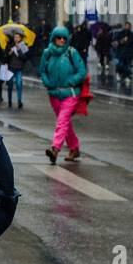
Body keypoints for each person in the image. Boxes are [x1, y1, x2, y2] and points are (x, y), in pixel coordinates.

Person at [39, 25, 88, 165]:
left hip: (70, 93)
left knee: (62, 120)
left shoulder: (72, 52)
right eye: (58, 38)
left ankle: (55, 148)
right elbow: (42, 70)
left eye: (63, 38)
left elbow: (81, 71)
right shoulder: (47, 53)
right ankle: (74, 148)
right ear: (53, 38)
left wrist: (72, 81)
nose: (61, 40)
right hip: (54, 93)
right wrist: (48, 83)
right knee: (65, 122)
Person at [3, 32, 28, 108]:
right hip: (11, 68)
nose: (16, 39)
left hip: (19, 68)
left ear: (20, 38)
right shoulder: (9, 45)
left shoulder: (23, 46)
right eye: (15, 37)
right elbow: (5, 57)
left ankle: (19, 101)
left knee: (19, 84)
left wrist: (19, 50)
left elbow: (24, 58)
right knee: (10, 85)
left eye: (17, 37)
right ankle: (9, 101)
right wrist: (9, 53)